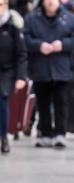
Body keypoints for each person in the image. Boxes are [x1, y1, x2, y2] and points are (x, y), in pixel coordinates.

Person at [24, 0, 74, 148]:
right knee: (42, 103)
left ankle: (60, 133)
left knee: (61, 102)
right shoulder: (32, 18)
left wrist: (62, 45)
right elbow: (25, 39)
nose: (50, 2)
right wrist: (39, 46)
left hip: (61, 67)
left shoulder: (69, 18)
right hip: (39, 67)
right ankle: (45, 133)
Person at [0, 0, 27, 153]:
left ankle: (4, 137)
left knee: (2, 100)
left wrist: (21, 77)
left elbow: (21, 54)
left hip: (7, 70)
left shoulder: (13, 25)